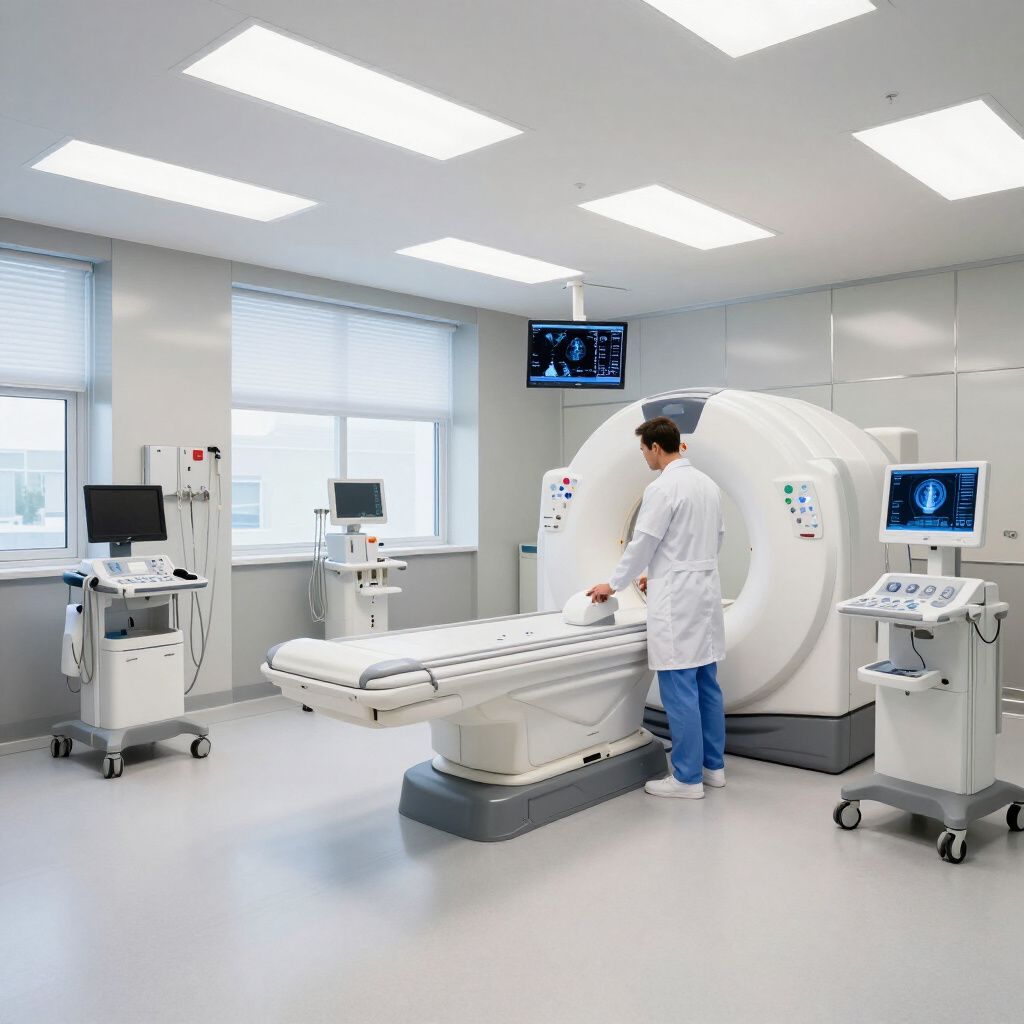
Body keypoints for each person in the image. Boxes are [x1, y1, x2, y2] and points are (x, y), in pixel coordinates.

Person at [587, 416, 726, 800]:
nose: (644, 458)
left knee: (679, 689)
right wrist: (664, 572)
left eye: (643, 451)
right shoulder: (708, 484)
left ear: (655, 447)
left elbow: (643, 543)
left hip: (678, 600)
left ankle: (687, 779)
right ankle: (713, 769)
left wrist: (613, 584)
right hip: (704, 592)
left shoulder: (662, 488)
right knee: (707, 683)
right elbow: (715, 538)